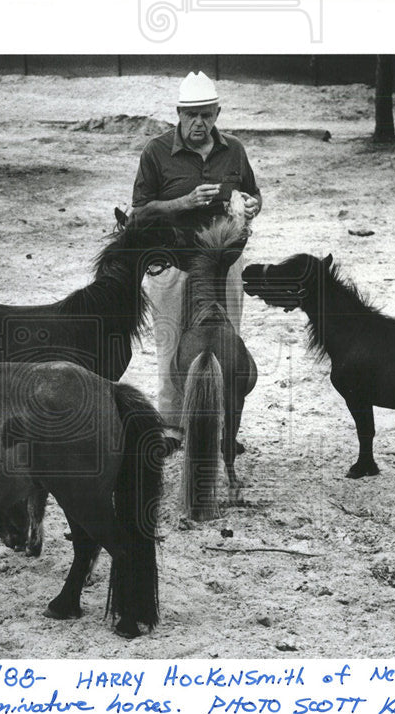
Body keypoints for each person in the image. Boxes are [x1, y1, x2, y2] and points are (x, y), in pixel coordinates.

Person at [131, 71, 262, 454]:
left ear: (217, 113)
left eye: (207, 115)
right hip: (173, 261)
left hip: (224, 264)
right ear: (179, 114)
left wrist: (253, 204)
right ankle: (172, 428)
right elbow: (138, 213)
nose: (199, 123)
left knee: (225, 342)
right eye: (192, 115)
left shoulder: (234, 150)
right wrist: (181, 204)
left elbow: (254, 192)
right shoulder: (156, 152)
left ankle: (222, 428)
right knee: (172, 343)